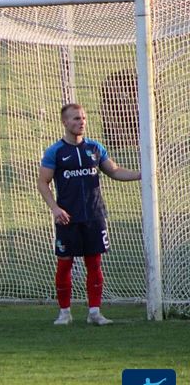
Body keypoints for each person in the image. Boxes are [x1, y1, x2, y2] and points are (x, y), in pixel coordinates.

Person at [37, 103, 140, 326]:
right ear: (65, 122)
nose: (81, 122)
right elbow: (43, 182)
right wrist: (55, 208)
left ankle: (95, 312)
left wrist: (142, 174)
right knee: (65, 264)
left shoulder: (94, 148)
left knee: (94, 264)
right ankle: (64, 313)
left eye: (83, 118)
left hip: (94, 215)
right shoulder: (55, 151)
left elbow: (114, 171)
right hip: (68, 218)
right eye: (76, 118)